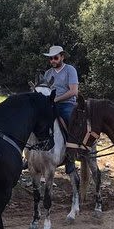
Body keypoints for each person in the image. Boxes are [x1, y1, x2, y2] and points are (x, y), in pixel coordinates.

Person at [42, 45, 79, 174]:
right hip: (50, 104)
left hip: (67, 104)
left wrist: (57, 99)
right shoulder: (47, 74)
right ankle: (31, 155)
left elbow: (74, 91)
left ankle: (70, 157)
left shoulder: (70, 70)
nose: (53, 60)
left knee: (71, 121)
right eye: (51, 58)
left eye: (55, 58)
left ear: (62, 57)